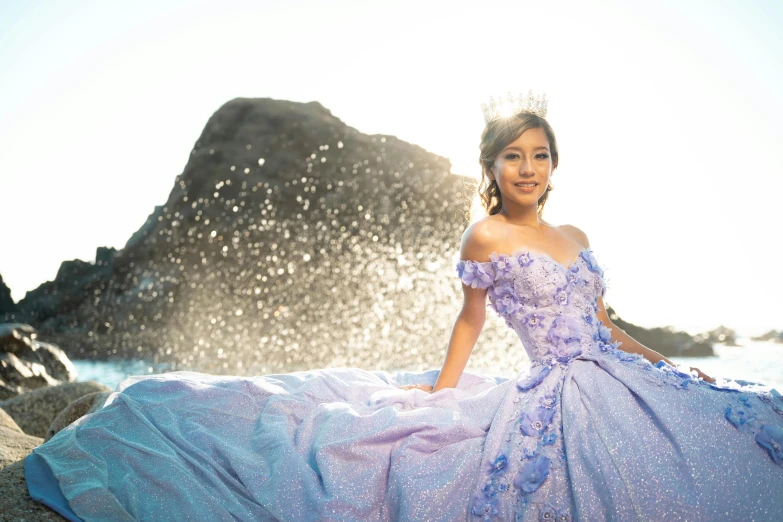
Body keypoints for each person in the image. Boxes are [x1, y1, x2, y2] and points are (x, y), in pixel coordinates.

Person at [24, 93, 783, 522]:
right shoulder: (483, 235)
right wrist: (442, 391)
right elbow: (470, 322)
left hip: (619, 374)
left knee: (736, 428)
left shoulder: (576, 233)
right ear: (493, 165)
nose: (527, 167)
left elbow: (608, 328)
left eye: (539, 154)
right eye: (512, 154)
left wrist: (681, 371)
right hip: (557, 389)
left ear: (554, 165)